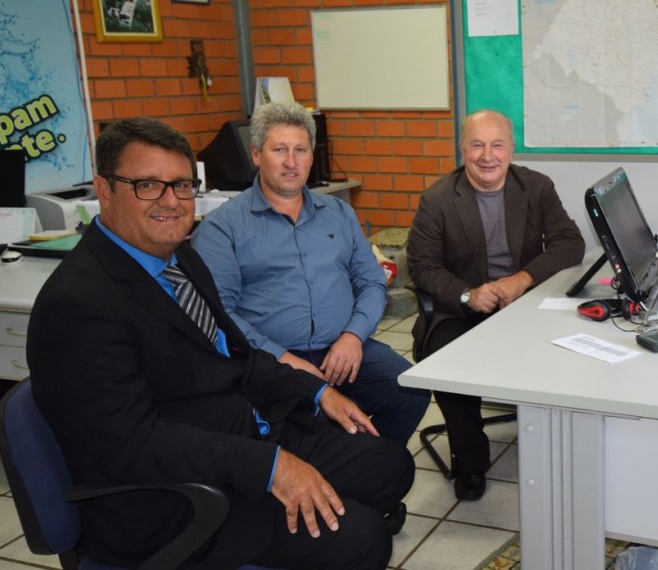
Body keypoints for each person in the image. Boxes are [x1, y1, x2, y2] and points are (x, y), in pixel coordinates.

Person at [28, 117, 414, 569]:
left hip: (237, 436)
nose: (171, 201)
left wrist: (316, 392)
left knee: (390, 465)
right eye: (148, 185)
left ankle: (325, 512)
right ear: (105, 190)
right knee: (365, 538)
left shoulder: (179, 260)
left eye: (182, 185)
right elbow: (132, 444)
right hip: (174, 497)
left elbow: (238, 355)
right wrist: (270, 467)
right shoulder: (78, 303)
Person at [193, 102, 430, 447]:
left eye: (301, 150)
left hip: (343, 348)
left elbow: (371, 281)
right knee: (309, 424)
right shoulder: (222, 228)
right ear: (257, 154)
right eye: (279, 150)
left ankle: (369, 468)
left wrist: (353, 336)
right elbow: (218, 314)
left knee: (409, 390)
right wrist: (282, 358)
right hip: (268, 359)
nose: (291, 162)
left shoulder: (339, 213)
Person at [406, 109, 585, 500]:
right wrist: (468, 294)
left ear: (511, 149)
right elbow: (422, 267)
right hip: (462, 309)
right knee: (446, 358)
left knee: (575, 344)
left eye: (497, 145)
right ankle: (470, 460)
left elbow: (571, 243)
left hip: (524, 304)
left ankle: (557, 444)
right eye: (477, 145)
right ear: (462, 149)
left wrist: (521, 279)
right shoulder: (437, 200)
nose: (488, 156)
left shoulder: (536, 187)